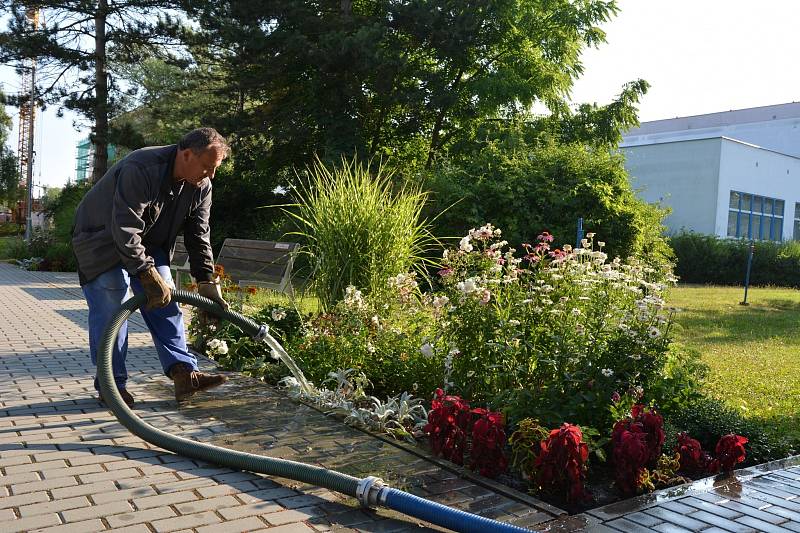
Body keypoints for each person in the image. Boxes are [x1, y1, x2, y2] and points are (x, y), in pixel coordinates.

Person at [72, 127, 231, 407]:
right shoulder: (142, 167)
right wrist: (145, 272)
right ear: (185, 154)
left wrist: (207, 282)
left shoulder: (201, 186)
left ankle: (184, 374)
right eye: (207, 167)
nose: (211, 175)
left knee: (166, 300)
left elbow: (199, 236)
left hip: (147, 243)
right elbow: (125, 226)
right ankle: (112, 385)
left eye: (214, 168)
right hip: (101, 239)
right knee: (113, 304)